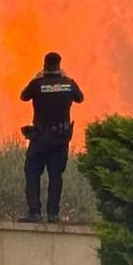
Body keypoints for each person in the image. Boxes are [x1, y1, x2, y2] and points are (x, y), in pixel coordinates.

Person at [19, 52, 84, 223]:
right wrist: (65, 77)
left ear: (45, 65)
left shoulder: (37, 84)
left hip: (40, 138)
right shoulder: (68, 84)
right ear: (59, 65)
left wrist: (37, 78)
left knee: (32, 172)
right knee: (56, 175)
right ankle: (53, 214)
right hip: (60, 139)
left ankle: (34, 212)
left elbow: (23, 96)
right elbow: (80, 98)